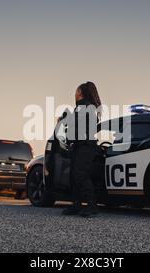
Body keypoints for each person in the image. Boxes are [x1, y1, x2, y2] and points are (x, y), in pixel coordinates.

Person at [62, 82, 102, 217]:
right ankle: (76, 205)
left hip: (86, 147)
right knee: (74, 176)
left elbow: (76, 125)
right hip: (80, 146)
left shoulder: (85, 107)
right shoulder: (83, 107)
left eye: (76, 91)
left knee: (81, 175)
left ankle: (92, 206)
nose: (74, 93)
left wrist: (64, 120)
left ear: (80, 93)